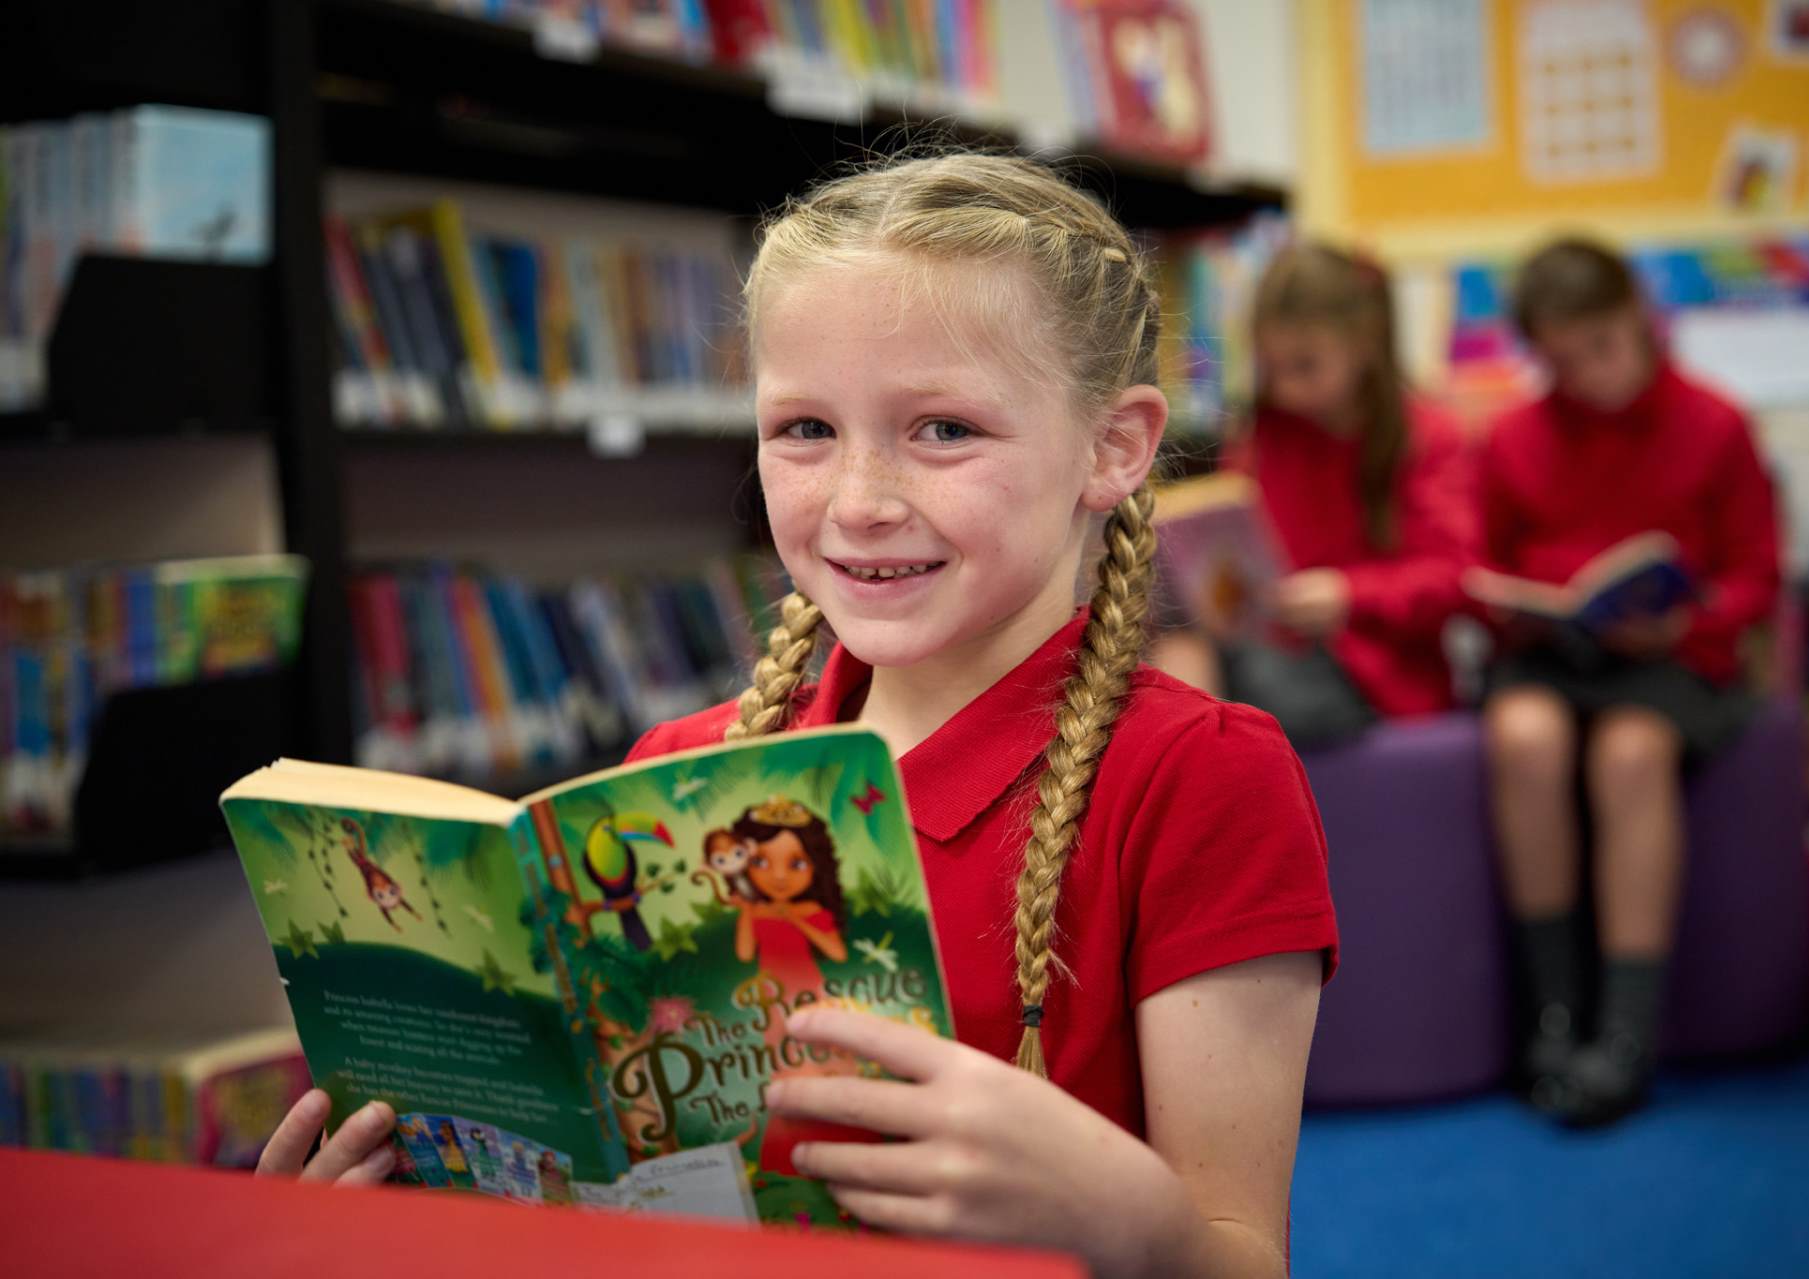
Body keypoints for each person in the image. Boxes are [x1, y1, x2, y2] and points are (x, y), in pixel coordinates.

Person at [256, 149, 1338, 1278]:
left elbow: (1238, 1255)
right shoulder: (675, 769)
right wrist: (382, 1216)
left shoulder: (1200, 777)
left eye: (944, 430)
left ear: (1113, 447)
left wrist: (1124, 1214)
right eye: (805, 429)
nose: (860, 503)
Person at [1478, 236, 1780, 1127]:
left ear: (1640, 318)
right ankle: (1553, 1016)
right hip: (1555, 654)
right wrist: (1518, 608)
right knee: (1524, 737)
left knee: (1631, 754)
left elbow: (1757, 575)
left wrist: (1687, 623)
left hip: (1676, 657)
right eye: (1562, 361)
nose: (1588, 376)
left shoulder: (1716, 423)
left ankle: (1625, 1033)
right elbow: (1483, 566)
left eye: (1602, 347)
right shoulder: (1514, 436)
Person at [1153, 242, 1474, 746]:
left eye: (1304, 366)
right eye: (1271, 367)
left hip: (1373, 668)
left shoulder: (1426, 435)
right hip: (1270, 641)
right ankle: (1190, 782)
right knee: (1169, 663)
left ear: (1364, 343)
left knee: (1237, 689)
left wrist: (1347, 595)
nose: (1285, 389)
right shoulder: (1266, 433)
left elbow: (1455, 578)